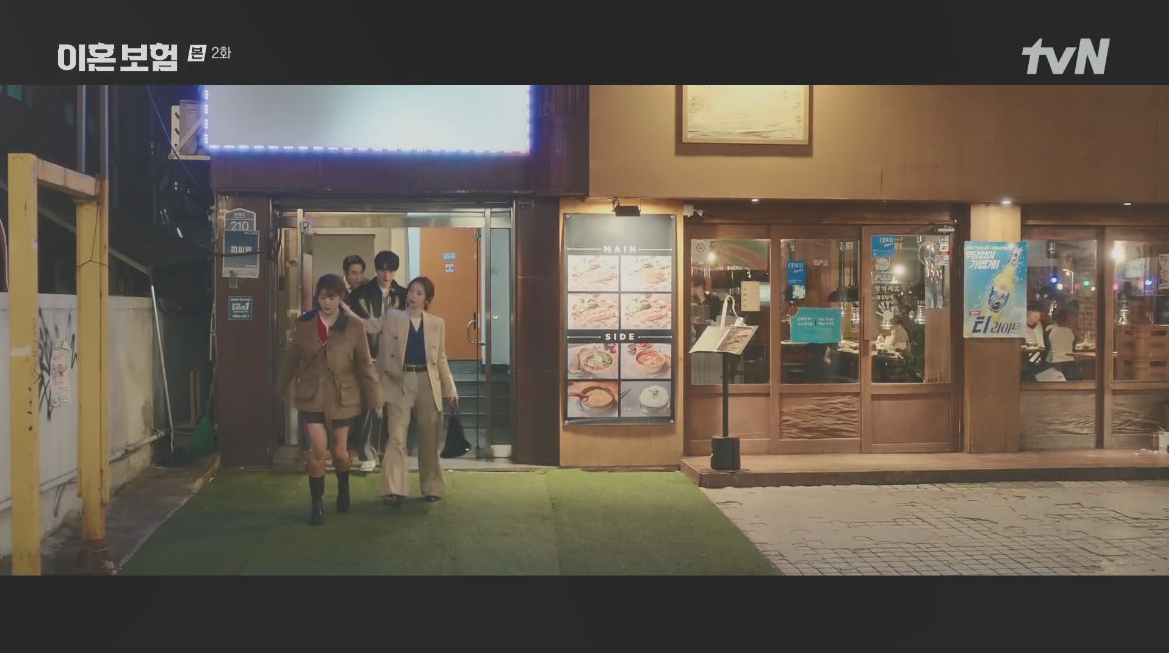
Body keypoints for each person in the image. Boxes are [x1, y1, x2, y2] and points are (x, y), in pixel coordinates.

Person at [276, 274, 381, 526]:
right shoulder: (305, 324)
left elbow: (364, 365)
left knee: (340, 452)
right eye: (322, 297)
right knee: (318, 448)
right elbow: (291, 359)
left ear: (340, 298)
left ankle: (343, 488)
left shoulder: (354, 326)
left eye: (331, 297)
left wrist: (375, 397)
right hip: (311, 394)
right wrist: (280, 387)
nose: (326, 302)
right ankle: (317, 505)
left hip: (342, 395)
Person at [343, 277, 457, 507]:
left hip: (427, 381)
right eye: (411, 291)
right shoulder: (392, 317)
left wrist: (450, 387)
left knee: (429, 438)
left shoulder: (437, 323)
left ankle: (432, 486)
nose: (413, 296)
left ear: (427, 299)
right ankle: (393, 489)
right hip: (399, 381)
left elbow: (441, 359)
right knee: (396, 435)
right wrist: (345, 310)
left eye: (419, 293)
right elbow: (368, 326)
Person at [349, 251, 409, 467]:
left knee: (394, 408)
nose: (387, 274)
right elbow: (353, 327)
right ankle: (368, 454)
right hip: (368, 356)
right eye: (383, 270)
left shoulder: (403, 295)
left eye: (391, 270)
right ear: (376, 270)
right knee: (370, 406)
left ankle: (390, 453)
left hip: (396, 358)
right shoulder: (360, 294)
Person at [1046, 308, 1078, 380]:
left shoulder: (1049, 331)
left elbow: (1047, 349)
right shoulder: (1070, 332)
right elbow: (1073, 347)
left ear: (1053, 319)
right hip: (1071, 365)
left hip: (1056, 365)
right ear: (1066, 319)